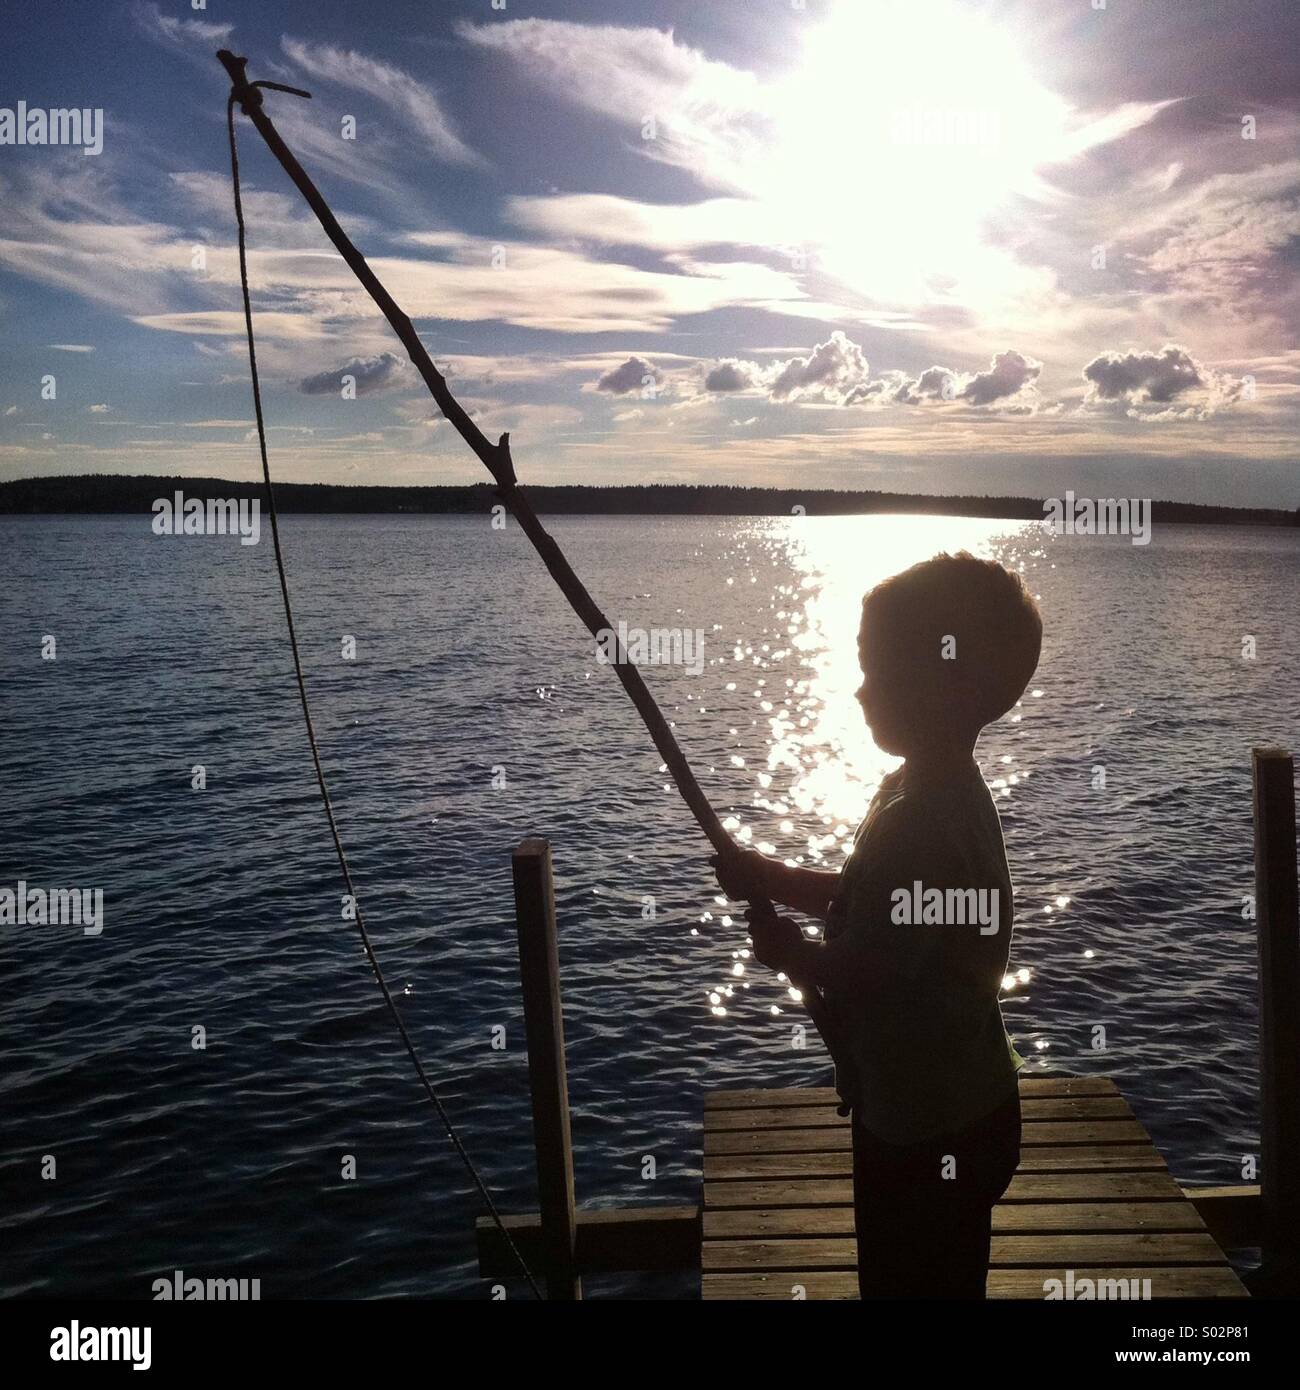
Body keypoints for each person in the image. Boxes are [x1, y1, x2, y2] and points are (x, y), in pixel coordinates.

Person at [714, 551, 1042, 1298]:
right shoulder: (928, 790)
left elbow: (877, 968)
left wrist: (793, 954)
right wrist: (765, 876)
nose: (859, 689)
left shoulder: (921, 820)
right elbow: (869, 904)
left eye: (877, 669)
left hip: (927, 1129)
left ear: (947, 687)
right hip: (964, 1107)